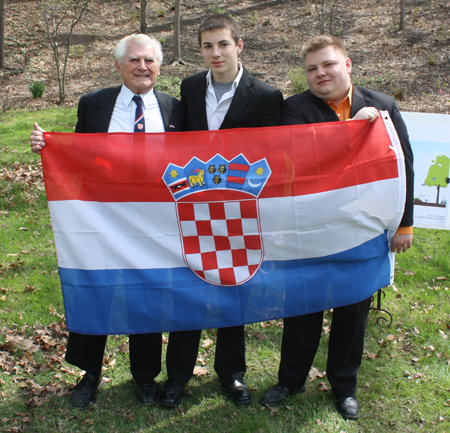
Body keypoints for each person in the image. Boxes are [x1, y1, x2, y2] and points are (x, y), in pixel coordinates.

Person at [259, 35, 414, 420]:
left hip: (364, 231)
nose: (319, 74)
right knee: (302, 309)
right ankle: (291, 379)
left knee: (352, 312)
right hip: (309, 230)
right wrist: (349, 132)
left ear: (347, 65)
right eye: (311, 69)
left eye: (327, 65)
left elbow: (404, 166)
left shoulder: (384, 106)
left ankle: (344, 385)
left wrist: (405, 224)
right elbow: (302, 161)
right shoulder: (294, 109)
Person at [30, 34, 185, 409]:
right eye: (133, 60)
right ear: (119, 66)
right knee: (97, 289)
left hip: (154, 219)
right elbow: (78, 154)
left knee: (145, 295)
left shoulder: (176, 110)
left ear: (160, 66)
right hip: (102, 215)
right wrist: (48, 145)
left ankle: (145, 377)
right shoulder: (94, 104)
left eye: (149, 60)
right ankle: (89, 374)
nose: (142, 67)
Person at [157, 14, 284, 408]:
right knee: (188, 290)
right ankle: (176, 376)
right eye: (208, 46)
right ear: (200, 50)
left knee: (234, 290)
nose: (215, 53)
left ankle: (231, 373)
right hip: (193, 203)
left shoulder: (265, 96)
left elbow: (275, 155)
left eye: (223, 44)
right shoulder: (191, 87)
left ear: (239, 45)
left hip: (240, 207)